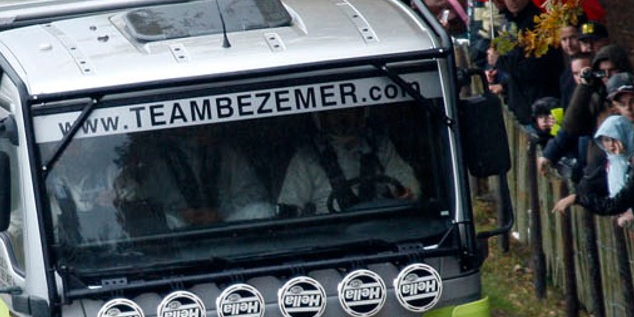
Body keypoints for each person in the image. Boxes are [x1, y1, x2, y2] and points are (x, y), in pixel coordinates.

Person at [119, 126, 272, 229]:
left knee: (262, 210)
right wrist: (182, 214)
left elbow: (254, 192)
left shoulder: (228, 154)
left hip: (228, 225)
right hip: (180, 232)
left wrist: (220, 213)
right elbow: (148, 204)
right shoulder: (157, 161)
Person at [276, 109, 422, 215]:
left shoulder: (380, 146)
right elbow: (290, 206)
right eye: (333, 111)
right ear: (321, 116)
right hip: (331, 236)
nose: (341, 116)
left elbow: (404, 180)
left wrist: (406, 192)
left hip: (381, 228)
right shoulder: (306, 156)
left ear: (361, 112)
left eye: (348, 110)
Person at [484, 0, 562, 121]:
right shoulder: (511, 25)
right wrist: (503, 84)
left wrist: (500, 61)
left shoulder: (536, 24)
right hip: (520, 101)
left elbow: (531, 69)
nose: (511, 0)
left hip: (540, 102)